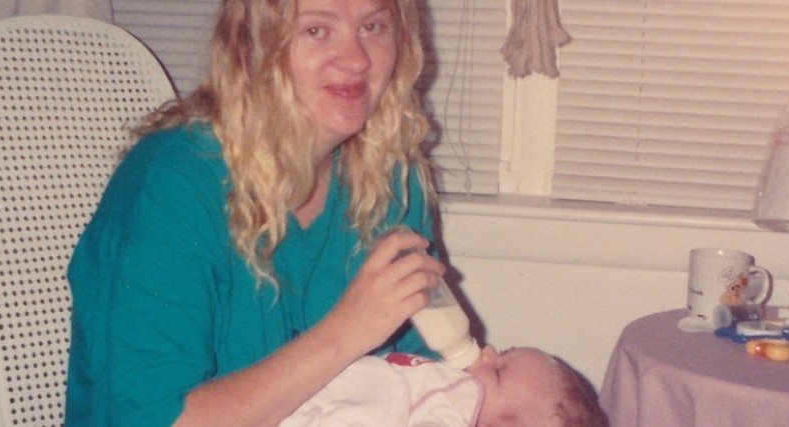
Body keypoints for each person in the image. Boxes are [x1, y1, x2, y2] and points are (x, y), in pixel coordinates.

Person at [64, 0, 449, 425]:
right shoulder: (173, 182)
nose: (356, 58)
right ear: (253, 44)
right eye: (316, 31)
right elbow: (153, 418)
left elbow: (421, 377)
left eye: (374, 26)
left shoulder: (390, 175)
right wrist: (345, 333)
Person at [281, 346, 609, 427]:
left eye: (497, 372)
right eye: (503, 351)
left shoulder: (451, 412)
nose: (487, 352)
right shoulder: (447, 381)